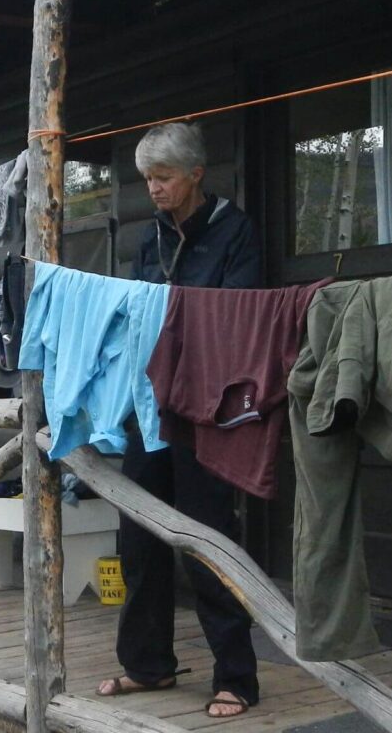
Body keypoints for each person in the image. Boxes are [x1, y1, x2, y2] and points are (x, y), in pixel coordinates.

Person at [96, 122, 262, 719]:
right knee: (138, 536)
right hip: (151, 405)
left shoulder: (235, 231)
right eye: (147, 179)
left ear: (195, 174)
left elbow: (236, 315)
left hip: (208, 410)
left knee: (208, 540)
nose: (154, 189)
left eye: (163, 178)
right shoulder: (152, 235)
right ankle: (149, 666)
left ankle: (237, 678)